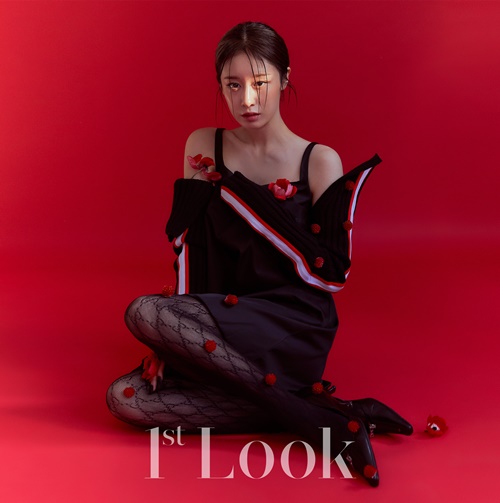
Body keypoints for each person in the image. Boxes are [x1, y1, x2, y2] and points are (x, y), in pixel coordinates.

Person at [106, 21, 412, 487]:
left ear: (285, 79)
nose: (247, 100)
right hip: (223, 320)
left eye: (261, 83)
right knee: (125, 397)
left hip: (293, 322)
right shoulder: (203, 145)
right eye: (233, 85)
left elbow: (331, 274)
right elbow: (189, 249)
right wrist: (171, 340)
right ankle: (325, 416)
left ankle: (314, 416)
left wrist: (239, 191)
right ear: (220, 86)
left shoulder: (319, 160)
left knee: (141, 310)